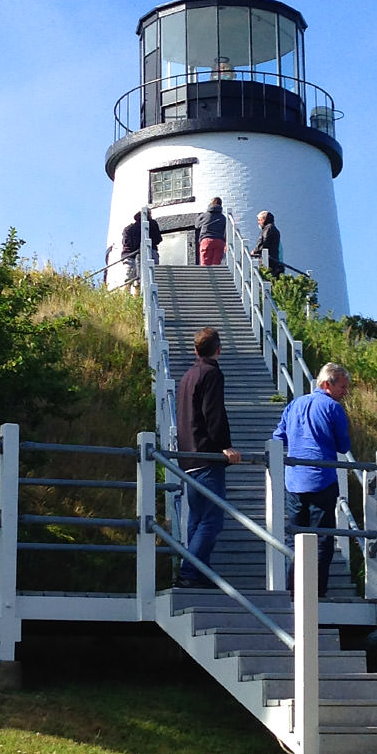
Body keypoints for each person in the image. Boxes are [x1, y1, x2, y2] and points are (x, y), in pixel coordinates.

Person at [272, 363, 351, 598]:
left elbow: (278, 437)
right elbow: (344, 445)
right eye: (343, 387)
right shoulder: (333, 408)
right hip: (322, 480)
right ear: (328, 384)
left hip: (294, 481)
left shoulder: (294, 404)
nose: (345, 392)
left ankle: (293, 591)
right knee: (322, 540)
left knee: (295, 538)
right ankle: (315, 593)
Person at [175, 326, 242, 588]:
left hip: (187, 456)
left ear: (195, 349)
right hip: (206, 456)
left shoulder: (188, 376)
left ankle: (200, 572)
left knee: (196, 518)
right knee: (212, 518)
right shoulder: (211, 374)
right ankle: (190, 571)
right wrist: (224, 446)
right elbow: (213, 412)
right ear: (218, 350)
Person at [122, 209, 162, 286]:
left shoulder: (128, 228)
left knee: (129, 278)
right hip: (149, 252)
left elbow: (127, 243)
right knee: (151, 273)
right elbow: (158, 239)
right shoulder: (152, 224)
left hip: (129, 254)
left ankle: (129, 294)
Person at [250, 210, 284, 278]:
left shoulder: (268, 229)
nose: (258, 222)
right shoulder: (274, 229)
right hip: (274, 261)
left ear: (264, 219)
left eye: (259, 220)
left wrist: (255, 251)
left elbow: (264, 242)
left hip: (268, 261)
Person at [195, 197, 227, 266]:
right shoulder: (223, 217)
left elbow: (196, 225)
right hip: (219, 241)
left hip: (206, 240)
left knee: (205, 265)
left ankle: (205, 276)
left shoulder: (205, 215)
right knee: (216, 265)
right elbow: (225, 231)